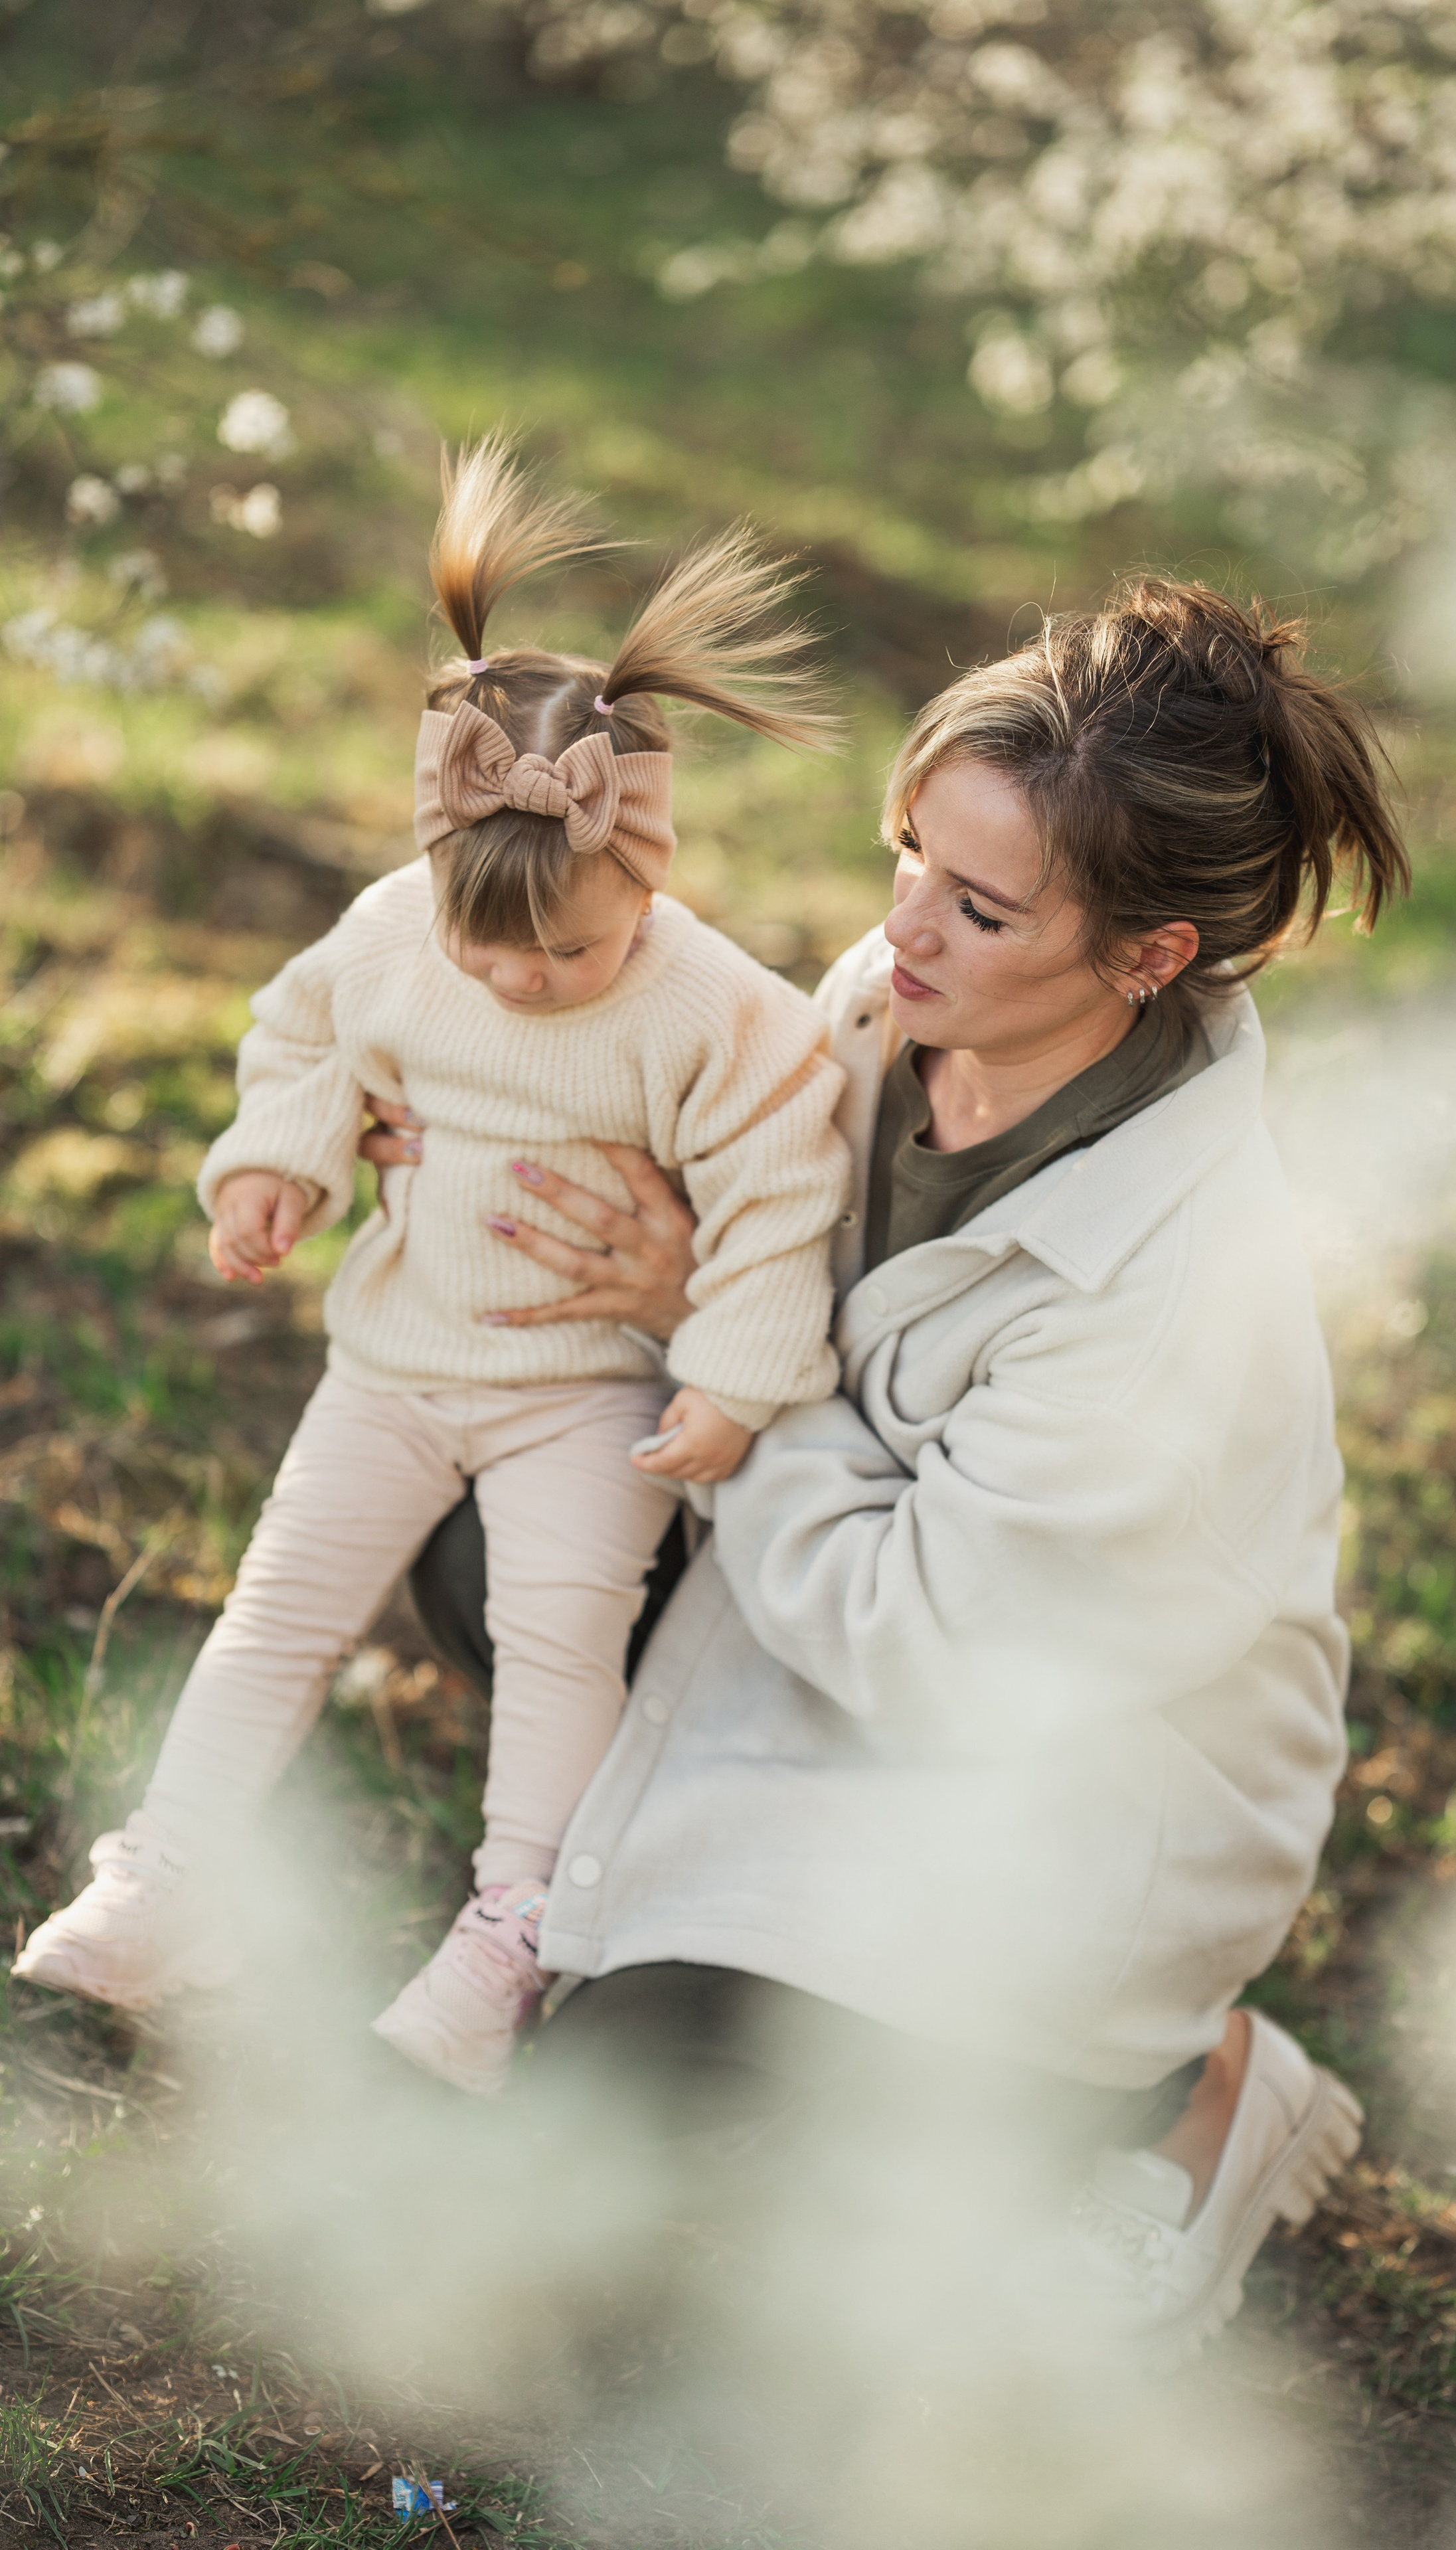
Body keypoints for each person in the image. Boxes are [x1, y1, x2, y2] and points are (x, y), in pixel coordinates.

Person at [391, 574, 1410, 2355]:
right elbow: (738, 1188)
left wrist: (717, 1323)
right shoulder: (910, 1002)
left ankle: (1179, 2088)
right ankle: (688, 1915)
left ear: (1149, 957)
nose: (905, 929)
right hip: (836, 1628)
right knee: (499, 1546)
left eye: (981, 905)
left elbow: (927, 1643)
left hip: (1061, 1795)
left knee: (646, 2096)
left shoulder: (1178, 1292)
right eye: (906, 860)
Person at [13, 440, 852, 2094]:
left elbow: (781, 1192)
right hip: (392, 1365)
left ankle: (511, 1936)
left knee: (558, 1641)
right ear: (433, 878)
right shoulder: (396, 929)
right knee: (277, 1614)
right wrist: (277, 1161)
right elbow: (307, 1034)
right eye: (491, 948)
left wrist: (729, 1384)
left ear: (650, 874)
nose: (525, 984)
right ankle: (168, 1880)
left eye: (572, 951)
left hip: (580, 1398)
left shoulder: (715, 1010)